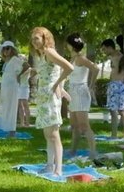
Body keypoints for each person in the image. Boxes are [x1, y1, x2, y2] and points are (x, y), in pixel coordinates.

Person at [31, 27, 74, 177]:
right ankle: (50, 165)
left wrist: (57, 85)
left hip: (50, 96)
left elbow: (69, 67)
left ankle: (58, 169)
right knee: (47, 134)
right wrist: (60, 85)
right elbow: (57, 71)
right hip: (44, 97)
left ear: (45, 38)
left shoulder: (49, 51)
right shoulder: (42, 54)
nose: (34, 41)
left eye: (37, 38)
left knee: (54, 134)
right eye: (33, 39)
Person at [66, 33, 100, 159]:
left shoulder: (80, 58)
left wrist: (91, 85)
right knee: (74, 125)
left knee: (84, 125)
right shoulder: (72, 59)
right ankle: (73, 150)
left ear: (71, 45)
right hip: (72, 92)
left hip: (80, 91)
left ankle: (93, 152)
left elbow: (95, 68)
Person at [0, 41, 29, 137]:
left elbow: (26, 65)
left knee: (11, 106)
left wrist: (19, 75)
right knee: (5, 105)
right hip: (6, 86)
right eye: (4, 49)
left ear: (12, 50)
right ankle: (4, 126)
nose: (5, 50)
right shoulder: (6, 60)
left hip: (12, 86)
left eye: (8, 48)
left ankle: (11, 129)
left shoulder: (15, 59)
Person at [101, 36, 124, 139]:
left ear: (110, 47)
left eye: (104, 49)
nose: (104, 52)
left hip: (119, 85)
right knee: (113, 111)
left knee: (122, 110)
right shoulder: (113, 57)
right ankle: (114, 135)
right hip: (113, 85)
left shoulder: (119, 56)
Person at [17, 55, 33, 127]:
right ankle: (22, 123)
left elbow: (34, 71)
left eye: (20, 58)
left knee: (25, 104)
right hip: (18, 87)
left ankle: (27, 123)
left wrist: (29, 77)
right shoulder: (19, 67)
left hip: (25, 88)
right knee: (20, 105)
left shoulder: (28, 68)